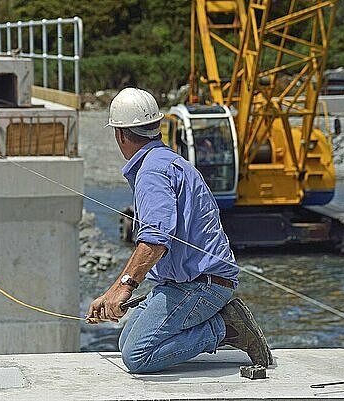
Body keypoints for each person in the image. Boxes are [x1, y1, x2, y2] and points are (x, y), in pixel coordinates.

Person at [86, 88, 272, 373]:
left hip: (203, 285)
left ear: (120, 135)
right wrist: (111, 293)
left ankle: (227, 328)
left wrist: (123, 289)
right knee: (126, 342)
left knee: (137, 356)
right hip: (194, 282)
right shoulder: (166, 162)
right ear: (156, 128)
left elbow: (154, 242)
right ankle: (217, 321)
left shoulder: (151, 172)